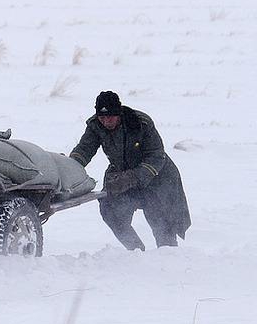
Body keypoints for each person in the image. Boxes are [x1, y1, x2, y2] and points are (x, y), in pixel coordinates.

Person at [70, 91, 191, 251]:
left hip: (159, 179)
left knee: (161, 224)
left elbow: (156, 156)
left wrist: (131, 178)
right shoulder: (95, 126)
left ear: (119, 113)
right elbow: (84, 150)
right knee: (110, 209)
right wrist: (69, 167)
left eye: (110, 117)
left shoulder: (141, 123)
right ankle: (135, 253)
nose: (106, 122)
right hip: (122, 176)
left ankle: (168, 260)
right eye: (102, 117)